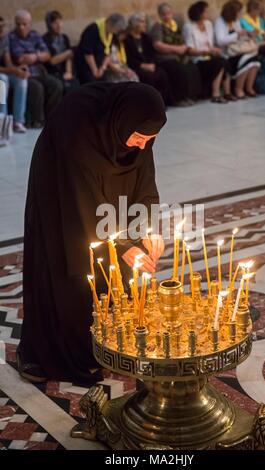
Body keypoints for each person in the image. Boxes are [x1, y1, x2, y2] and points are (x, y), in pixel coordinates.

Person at [18, 82, 166, 385]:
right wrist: (125, 242)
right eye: (139, 137)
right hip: (63, 198)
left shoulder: (136, 133)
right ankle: (63, 352)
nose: (141, 146)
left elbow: (145, 186)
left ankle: (107, 342)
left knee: (113, 272)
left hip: (99, 205)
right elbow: (82, 201)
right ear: (123, 121)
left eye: (149, 140)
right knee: (72, 268)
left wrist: (146, 230)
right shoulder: (77, 131)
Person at [9, 10, 63, 128]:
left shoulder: (35, 35)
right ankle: (39, 121)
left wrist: (35, 56)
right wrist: (38, 55)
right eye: (18, 24)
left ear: (30, 24)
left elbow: (47, 55)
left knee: (57, 85)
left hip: (39, 70)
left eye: (24, 24)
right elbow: (20, 59)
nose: (21, 27)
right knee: (37, 88)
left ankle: (52, 118)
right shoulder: (12, 37)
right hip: (25, 73)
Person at [151, 2, 202, 105]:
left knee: (191, 67)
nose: (167, 16)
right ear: (160, 15)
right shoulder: (158, 26)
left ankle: (191, 96)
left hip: (180, 56)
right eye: (164, 14)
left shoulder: (175, 25)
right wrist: (176, 49)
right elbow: (157, 45)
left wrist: (183, 47)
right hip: (165, 57)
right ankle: (179, 99)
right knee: (178, 69)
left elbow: (181, 40)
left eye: (169, 13)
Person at [183, 1, 234, 103]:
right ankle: (216, 94)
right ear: (199, 13)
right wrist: (206, 52)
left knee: (225, 60)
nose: (208, 13)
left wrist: (214, 50)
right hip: (198, 59)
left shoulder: (208, 24)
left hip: (209, 56)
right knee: (220, 62)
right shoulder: (189, 27)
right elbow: (190, 50)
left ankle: (227, 93)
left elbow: (210, 44)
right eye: (206, 11)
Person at [215, 0, 261, 98]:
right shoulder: (220, 22)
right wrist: (237, 34)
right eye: (238, 12)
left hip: (237, 49)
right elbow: (220, 41)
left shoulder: (235, 21)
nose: (240, 14)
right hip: (226, 53)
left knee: (255, 60)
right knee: (249, 59)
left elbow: (239, 36)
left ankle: (248, 88)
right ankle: (238, 89)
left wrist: (249, 34)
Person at [125, 12, 172, 105]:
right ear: (134, 24)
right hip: (136, 66)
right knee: (148, 77)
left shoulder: (146, 37)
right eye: (142, 22)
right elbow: (128, 58)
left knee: (162, 73)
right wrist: (142, 65)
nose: (145, 24)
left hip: (150, 65)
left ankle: (163, 102)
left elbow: (152, 54)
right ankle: (151, 104)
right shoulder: (127, 39)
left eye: (145, 22)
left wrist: (152, 64)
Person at [75, 13, 126, 84]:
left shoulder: (111, 34)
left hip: (100, 66)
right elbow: (88, 53)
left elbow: (108, 53)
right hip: (87, 65)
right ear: (111, 25)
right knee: (93, 85)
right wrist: (95, 71)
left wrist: (102, 68)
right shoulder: (93, 30)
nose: (117, 32)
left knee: (105, 85)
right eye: (117, 29)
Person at [0, 16, 28, 133]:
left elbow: (8, 62)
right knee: (2, 81)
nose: (1, 29)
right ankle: (3, 122)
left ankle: (18, 122)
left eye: (2, 26)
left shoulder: (4, 39)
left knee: (21, 80)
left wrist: (18, 69)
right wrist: (13, 70)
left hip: (4, 71)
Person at [43, 10, 79, 94]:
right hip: (53, 72)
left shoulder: (65, 37)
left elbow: (69, 57)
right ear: (49, 25)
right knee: (63, 87)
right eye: (55, 23)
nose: (59, 25)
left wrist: (68, 72)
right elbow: (52, 61)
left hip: (65, 71)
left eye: (60, 22)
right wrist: (67, 54)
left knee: (76, 85)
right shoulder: (45, 39)